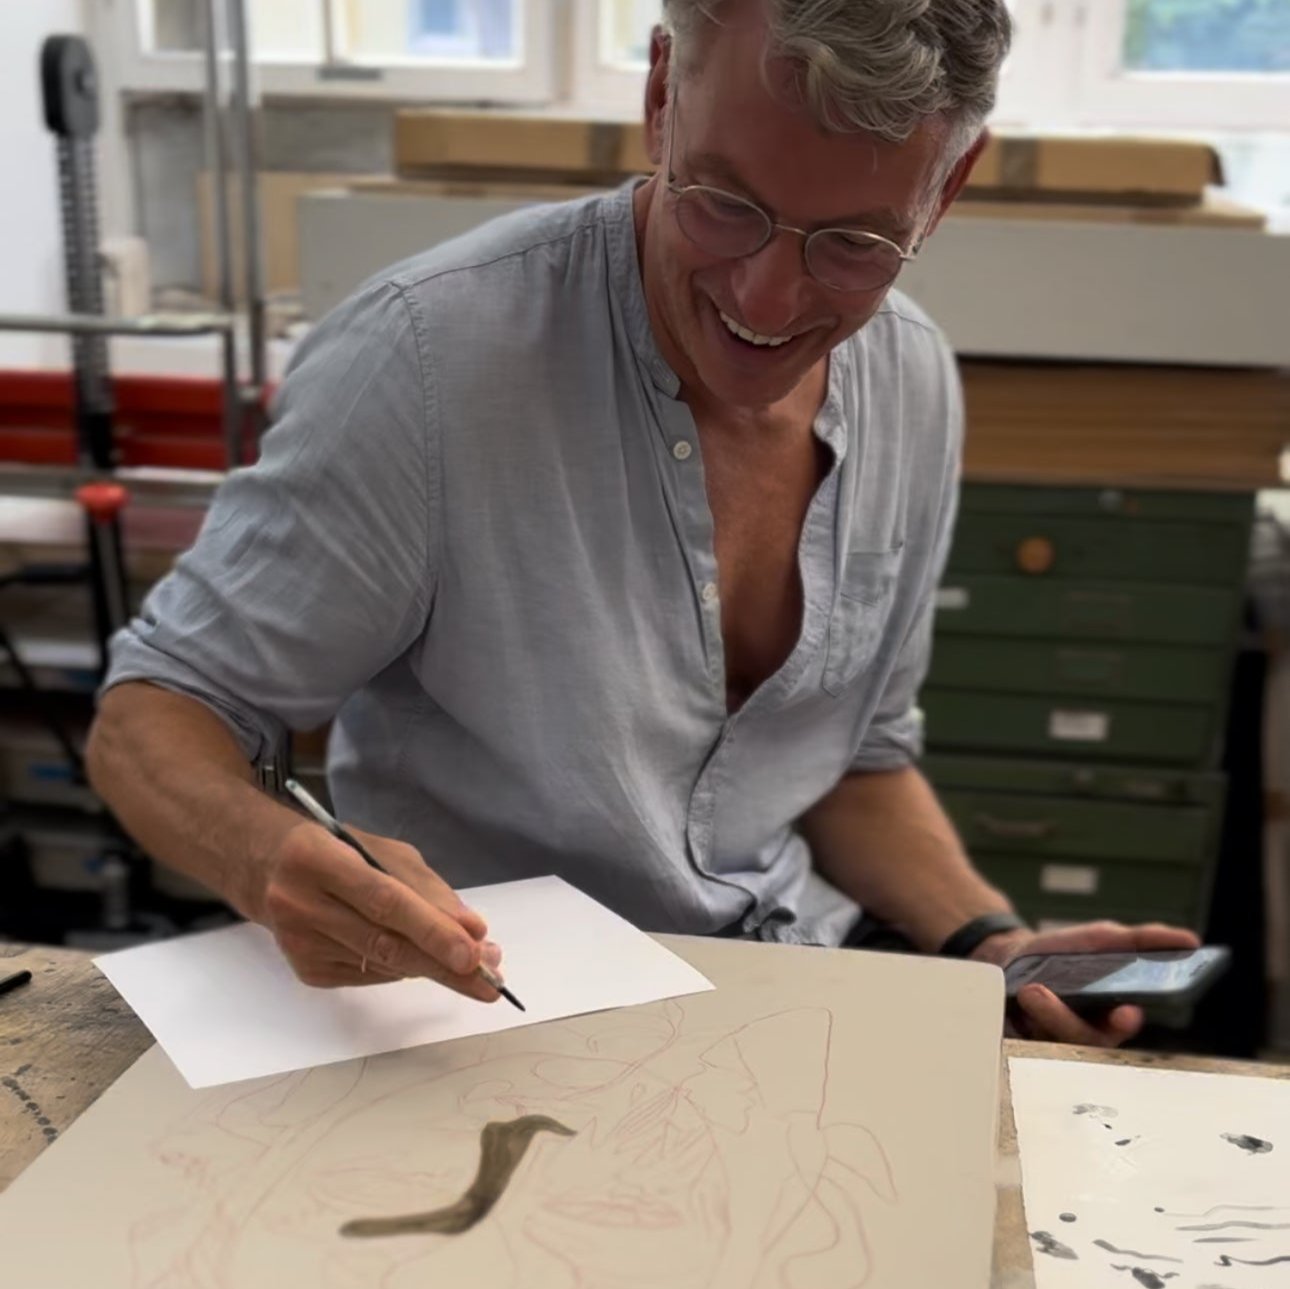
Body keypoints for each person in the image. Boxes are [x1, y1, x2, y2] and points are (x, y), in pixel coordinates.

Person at [87, 0, 1197, 1046]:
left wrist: (988, 940)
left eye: (854, 244)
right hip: (486, 1012)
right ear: (664, 94)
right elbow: (157, 713)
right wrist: (265, 854)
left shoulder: (913, 380)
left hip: (787, 982)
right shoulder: (429, 361)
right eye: (725, 202)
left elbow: (853, 759)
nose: (766, 302)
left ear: (947, 186)